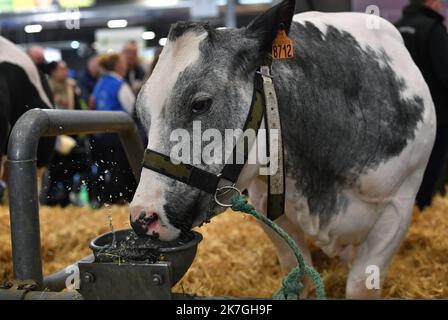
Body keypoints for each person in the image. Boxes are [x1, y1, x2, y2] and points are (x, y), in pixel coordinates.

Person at [396, 0, 448, 209]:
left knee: (406, 169)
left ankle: (405, 209)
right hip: (436, 114)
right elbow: (445, 72)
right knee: (432, 167)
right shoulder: (433, 29)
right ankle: (423, 208)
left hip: (403, 114)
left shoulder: (397, 27)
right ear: (430, 2)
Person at [91, 53, 137, 206]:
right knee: (121, 169)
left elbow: (93, 104)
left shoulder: (100, 83)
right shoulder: (119, 84)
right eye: (122, 62)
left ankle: (104, 199)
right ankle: (119, 198)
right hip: (118, 136)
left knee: (106, 169)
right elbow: (132, 108)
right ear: (118, 66)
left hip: (101, 135)